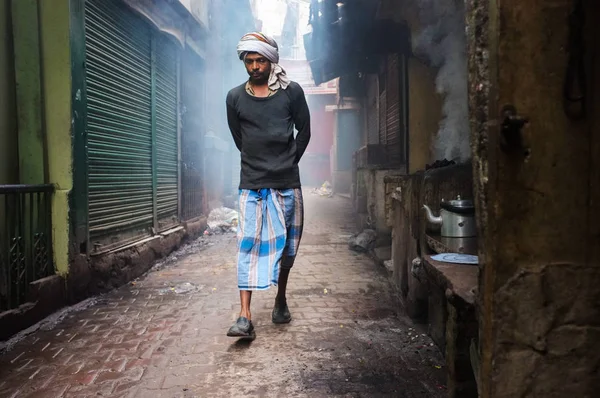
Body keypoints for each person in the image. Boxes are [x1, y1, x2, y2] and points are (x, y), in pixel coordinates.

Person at [225, 32, 311, 339]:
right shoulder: (235, 97)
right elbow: (240, 139)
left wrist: (288, 161)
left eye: (260, 60)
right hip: (252, 184)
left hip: (288, 183)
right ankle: (244, 317)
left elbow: (304, 131)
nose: (254, 66)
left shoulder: (292, 93)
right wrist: (257, 162)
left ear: (271, 61)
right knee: (248, 243)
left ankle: (280, 299)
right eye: (249, 61)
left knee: (288, 246)